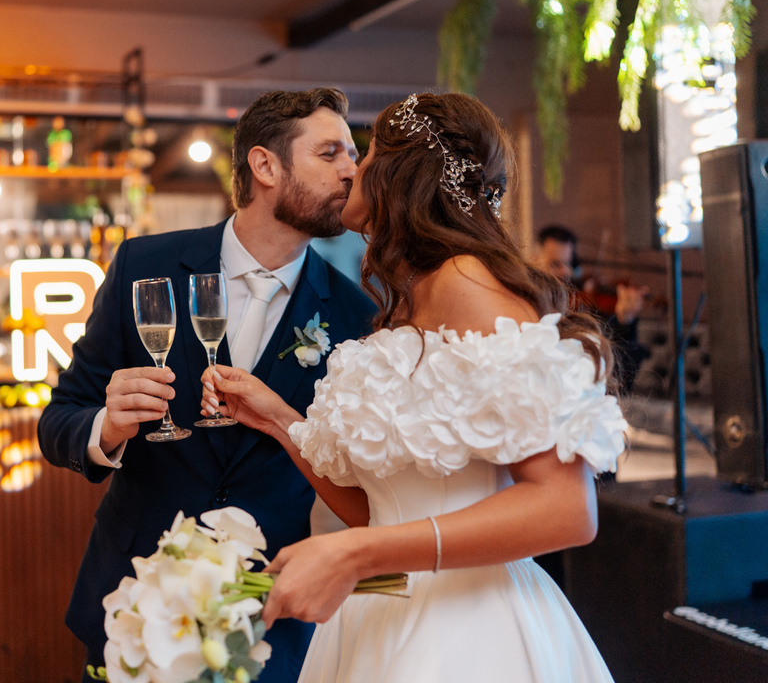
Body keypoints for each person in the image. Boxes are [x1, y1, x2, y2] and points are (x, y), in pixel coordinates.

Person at [202, 92, 627, 682]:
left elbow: (566, 509)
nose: (354, 169)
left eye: (367, 152)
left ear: (402, 175)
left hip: (469, 630)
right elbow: (382, 506)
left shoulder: (468, 285)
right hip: (387, 611)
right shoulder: (415, 296)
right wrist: (278, 419)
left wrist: (357, 555)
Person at [37, 88, 377, 683]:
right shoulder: (146, 266)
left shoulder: (356, 315)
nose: (352, 170)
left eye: (353, 153)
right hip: (135, 602)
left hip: (270, 614)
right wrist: (106, 429)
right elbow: (58, 419)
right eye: (330, 153)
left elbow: (355, 473)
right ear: (266, 166)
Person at [532, 225, 650, 395]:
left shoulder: (585, 311)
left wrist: (625, 323)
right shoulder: (527, 307)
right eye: (555, 264)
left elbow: (619, 379)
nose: (565, 272)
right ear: (534, 260)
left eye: (568, 264)